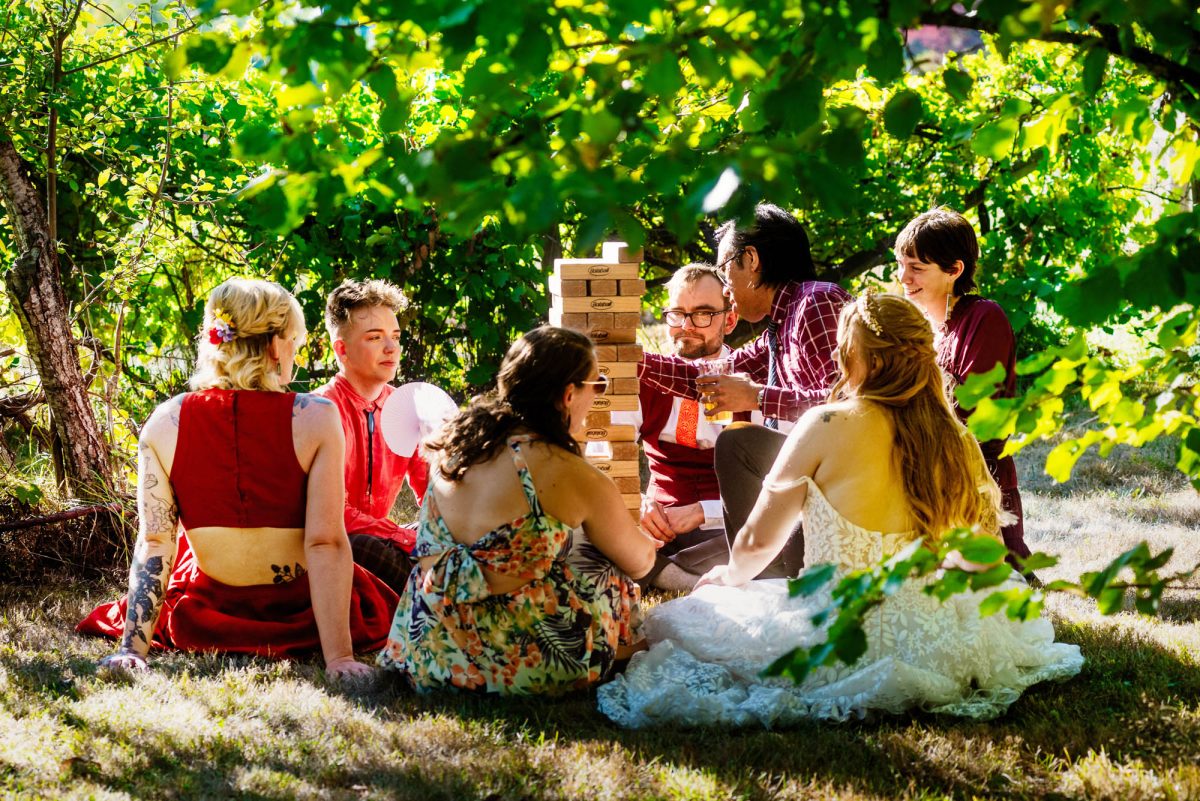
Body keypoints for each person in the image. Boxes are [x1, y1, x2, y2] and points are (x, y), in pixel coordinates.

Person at [597, 293, 1083, 727]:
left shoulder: (826, 423)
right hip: (939, 635)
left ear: (855, 359)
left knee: (677, 623)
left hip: (841, 624)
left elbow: (759, 542)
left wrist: (728, 575)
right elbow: (985, 559)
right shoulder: (955, 437)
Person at [78, 279, 393, 678]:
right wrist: (340, 659)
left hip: (208, 613)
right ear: (276, 346)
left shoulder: (164, 421)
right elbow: (325, 541)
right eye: (293, 341)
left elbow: (156, 540)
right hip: (302, 614)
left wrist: (132, 649)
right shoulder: (316, 417)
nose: (293, 353)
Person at [378, 326, 657, 694]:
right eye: (597, 384)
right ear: (569, 394)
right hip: (524, 668)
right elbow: (640, 562)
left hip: (430, 650)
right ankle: (620, 649)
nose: (598, 394)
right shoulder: (570, 473)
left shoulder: (452, 449)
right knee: (605, 558)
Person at [640, 203, 852, 578]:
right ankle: (760, 570)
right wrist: (630, 360)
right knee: (739, 445)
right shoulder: (778, 325)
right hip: (808, 477)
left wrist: (756, 397)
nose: (725, 286)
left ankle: (758, 574)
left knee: (737, 444)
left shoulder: (814, 302)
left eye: (724, 270)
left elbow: (847, 408)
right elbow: (701, 377)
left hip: (840, 481)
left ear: (751, 260)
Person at [894, 207, 1031, 566]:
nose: (903, 277)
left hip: (974, 481)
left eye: (916, 268)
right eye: (901, 264)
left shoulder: (985, 319)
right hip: (922, 472)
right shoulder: (918, 327)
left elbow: (973, 417)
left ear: (954, 270)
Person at [615, 264, 748, 592]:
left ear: (729, 320)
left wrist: (705, 511)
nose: (687, 326)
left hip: (728, 525)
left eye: (702, 314)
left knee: (773, 538)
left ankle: (666, 576)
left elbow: (771, 486)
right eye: (677, 314)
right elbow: (609, 457)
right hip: (659, 530)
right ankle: (684, 577)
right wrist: (637, 502)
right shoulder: (644, 382)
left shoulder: (751, 381)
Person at [315, 279, 430, 595]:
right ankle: (433, 592)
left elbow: (432, 493)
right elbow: (334, 515)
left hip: (384, 539)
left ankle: (426, 587)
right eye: (375, 338)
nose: (391, 348)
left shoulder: (406, 406)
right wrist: (405, 538)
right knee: (362, 548)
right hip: (333, 543)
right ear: (342, 349)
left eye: (395, 337)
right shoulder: (320, 411)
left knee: (451, 534)